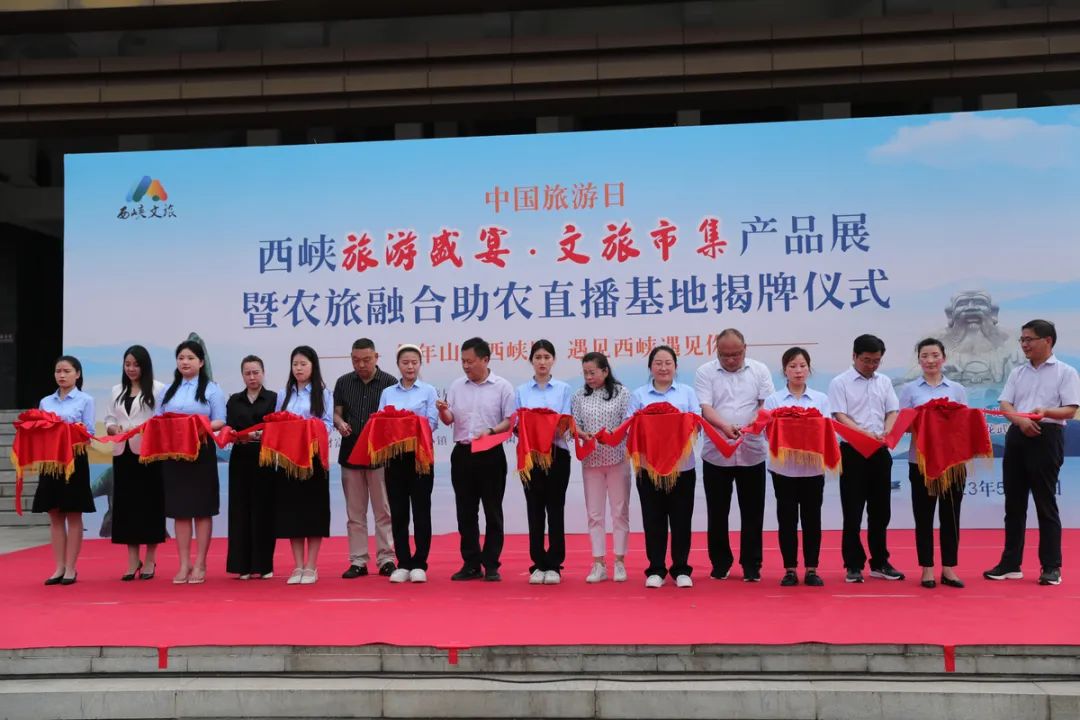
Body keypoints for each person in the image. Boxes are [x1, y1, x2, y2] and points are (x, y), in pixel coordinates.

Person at [985, 319, 1080, 587]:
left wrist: (1045, 412)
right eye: (1022, 340)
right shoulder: (1018, 372)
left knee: (1045, 503)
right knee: (1014, 504)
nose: (1024, 344)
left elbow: (1070, 409)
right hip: (1018, 434)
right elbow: (1005, 403)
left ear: (1047, 341)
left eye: (1029, 339)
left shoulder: (1065, 372)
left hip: (1046, 435)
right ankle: (1010, 564)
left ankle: (1051, 566)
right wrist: (1021, 421)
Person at [695, 328, 774, 582]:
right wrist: (724, 426)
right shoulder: (705, 372)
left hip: (752, 451)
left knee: (753, 511)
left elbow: (766, 405)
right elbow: (705, 407)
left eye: (736, 354)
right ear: (716, 351)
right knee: (717, 512)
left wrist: (753, 422)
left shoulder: (759, 370)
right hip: (717, 452)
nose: (730, 360)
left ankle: (751, 564)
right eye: (724, 355)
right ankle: (720, 563)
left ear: (745, 349)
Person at [436, 336, 515, 582]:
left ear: (485, 360)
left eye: (470, 361)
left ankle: (491, 564)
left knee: (492, 510)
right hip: (463, 453)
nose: (466, 366)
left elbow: (510, 421)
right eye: (463, 361)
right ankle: (471, 563)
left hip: (490, 452)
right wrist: (443, 411)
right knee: (466, 511)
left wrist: (491, 431)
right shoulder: (457, 386)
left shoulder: (502, 387)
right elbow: (450, 420)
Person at [828, 334, 902, 584]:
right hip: (853, 452)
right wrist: (864, 434)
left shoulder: (884, 381)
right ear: (854, 356)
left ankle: (880, 562)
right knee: (853, 511)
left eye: (876, 361)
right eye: (866, 360)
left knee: (881, 511)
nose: (871, 365)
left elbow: (892, 410)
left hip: (880, 451)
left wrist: (887, 432)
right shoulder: (840, 382)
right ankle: (853, 564)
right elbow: (840, 416)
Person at [898, 338, 969, 589]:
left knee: (951, 515)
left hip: (952, 462)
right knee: (924, 515)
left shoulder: (957, 389)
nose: (930, 360)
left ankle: (949, 568)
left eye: (935, 355)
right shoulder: (909, 390)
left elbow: (964, 423)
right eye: (925, 356)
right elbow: (903, 425)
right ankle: (927, 568)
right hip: (921, 461)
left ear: (943, 358)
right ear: (919, 360)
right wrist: (924, 420)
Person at [630, 345, 701, 589]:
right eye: (658, 363)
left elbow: (696, 423)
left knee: (681, 519)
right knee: (653, 519)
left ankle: (681, 568)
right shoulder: (639, 395)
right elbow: (631, 426)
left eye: (668, 363)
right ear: (650, 367)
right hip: (648, 468)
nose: (663, 368)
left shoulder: (687, 393)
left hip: (682, 467)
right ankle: (656, 569)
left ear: (676, 367)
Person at [156, 340, 226, 585]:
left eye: (190, 358)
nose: (185, 362)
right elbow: (158, 419)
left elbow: (220, 421)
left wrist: (195, 426)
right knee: (180, 510)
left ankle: (200, 562)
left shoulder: (212, 390)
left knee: (201, 509)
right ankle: (183, 563)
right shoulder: (168, 390)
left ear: (201, 362)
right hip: (174, 454)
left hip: (200, 451)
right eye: (181, 358)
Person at [764, 347, 830, 587]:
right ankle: (789, 569)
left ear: (809, 369)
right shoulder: (774, 400)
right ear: (785, 371)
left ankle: (812, 569)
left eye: (802, 366)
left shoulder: (821, 399)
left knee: (812, 519)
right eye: (792, 366)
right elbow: (767, 433)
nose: (798, 371)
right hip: (784, 470)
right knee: (787, 520)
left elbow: (826, 431)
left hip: (813, 470)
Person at [333, 338, 397, 579]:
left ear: (376, 357)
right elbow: (336, 413)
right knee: (355, 513)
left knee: (383, 511)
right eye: (356, 360)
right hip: (350, 454)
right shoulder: (343, 382)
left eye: (366, 360)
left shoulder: (390, 383)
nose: (361, 365)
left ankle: (386, 559)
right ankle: (358, 560)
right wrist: (340, 423)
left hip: (380, 456)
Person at [378, 344, 439, 584]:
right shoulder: (388, 392)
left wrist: (407, 426)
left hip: (420, 457)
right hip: (395, 458)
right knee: (399, 512)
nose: (410, 367)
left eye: (414, 362)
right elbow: (381, 422)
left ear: (420, 364)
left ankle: (420, 563)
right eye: (405, 363)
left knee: (421, 511)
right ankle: (402, 562)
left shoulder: (429, 391)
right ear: (398, 365)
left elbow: (432, 423)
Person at [104, 345, 165, 581]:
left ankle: (150, 559)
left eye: (136, 365)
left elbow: (162, 420)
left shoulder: (158, 389)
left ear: (145, 366)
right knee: (127, 506)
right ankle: (132, 560)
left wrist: (144, 429)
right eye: (127, 364)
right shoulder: (116, 390)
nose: (131, 369)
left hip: (148, 454)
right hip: (123, 454)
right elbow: (109, 418)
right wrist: (113, 429)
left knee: (150, 505)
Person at [515, 340, 574, 585]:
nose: (542, 362)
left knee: (556, 509)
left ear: (553, 360)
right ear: (531, 360)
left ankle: (555, 564)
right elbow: (517, 425)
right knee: (534, 509)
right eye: (538, 357)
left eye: (546, 357)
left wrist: (543, 425)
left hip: (557, 454)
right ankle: (538, 562)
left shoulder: (563, 389)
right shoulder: (522, 391)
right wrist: (531, 426)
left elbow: (564, 423)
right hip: (531, 457)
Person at [276, 346, 334, 585]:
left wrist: (306, 427)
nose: (298, 369)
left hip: (313, 460)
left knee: (313, 512)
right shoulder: (284, 394)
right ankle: (297, 565)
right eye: (295, 364)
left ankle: (311, 565)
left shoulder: (323, 394)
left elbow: (328, 425)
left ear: (313, 366)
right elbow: (277, 424)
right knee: (293, 513)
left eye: (303, 364)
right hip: (289, 461)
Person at [35, 355, 96, 585]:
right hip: (51, 461)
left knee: (73, 513)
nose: (62, 375)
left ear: (77, 374)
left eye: (67, 371)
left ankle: (71, 567)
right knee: (54, 514)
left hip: (74, 460)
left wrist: (68, 430)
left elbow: (89, 433)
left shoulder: (85, 400)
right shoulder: (45, 402)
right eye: (58, 371)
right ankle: (58, 567)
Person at [571, 352, 631, 583]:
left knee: (619, 512)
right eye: (585, 373)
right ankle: (598, 564)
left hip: (617, 460)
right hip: (591, 461)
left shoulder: (622, 393)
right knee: (595, 514)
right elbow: (574, 425)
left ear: (605, 371)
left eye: (593, 372)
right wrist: (582, 434)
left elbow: (628, 423)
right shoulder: (579, 396)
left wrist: (613, 435)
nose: (589, 377)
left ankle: (620, 562)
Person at [224, 356, 277, 580]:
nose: (252, 377)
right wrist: (232, 434)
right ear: (242, 375)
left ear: (263, 373)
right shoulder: (234, 400)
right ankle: (242, 566)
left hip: (264, 459)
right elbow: (228, 426)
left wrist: (255, 435)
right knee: (240, 511)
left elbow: (276, 428)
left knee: (263, 510)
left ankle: (264, 565)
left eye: (256, 372)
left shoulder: (273, 398)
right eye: (248, 373)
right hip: (240, 459)